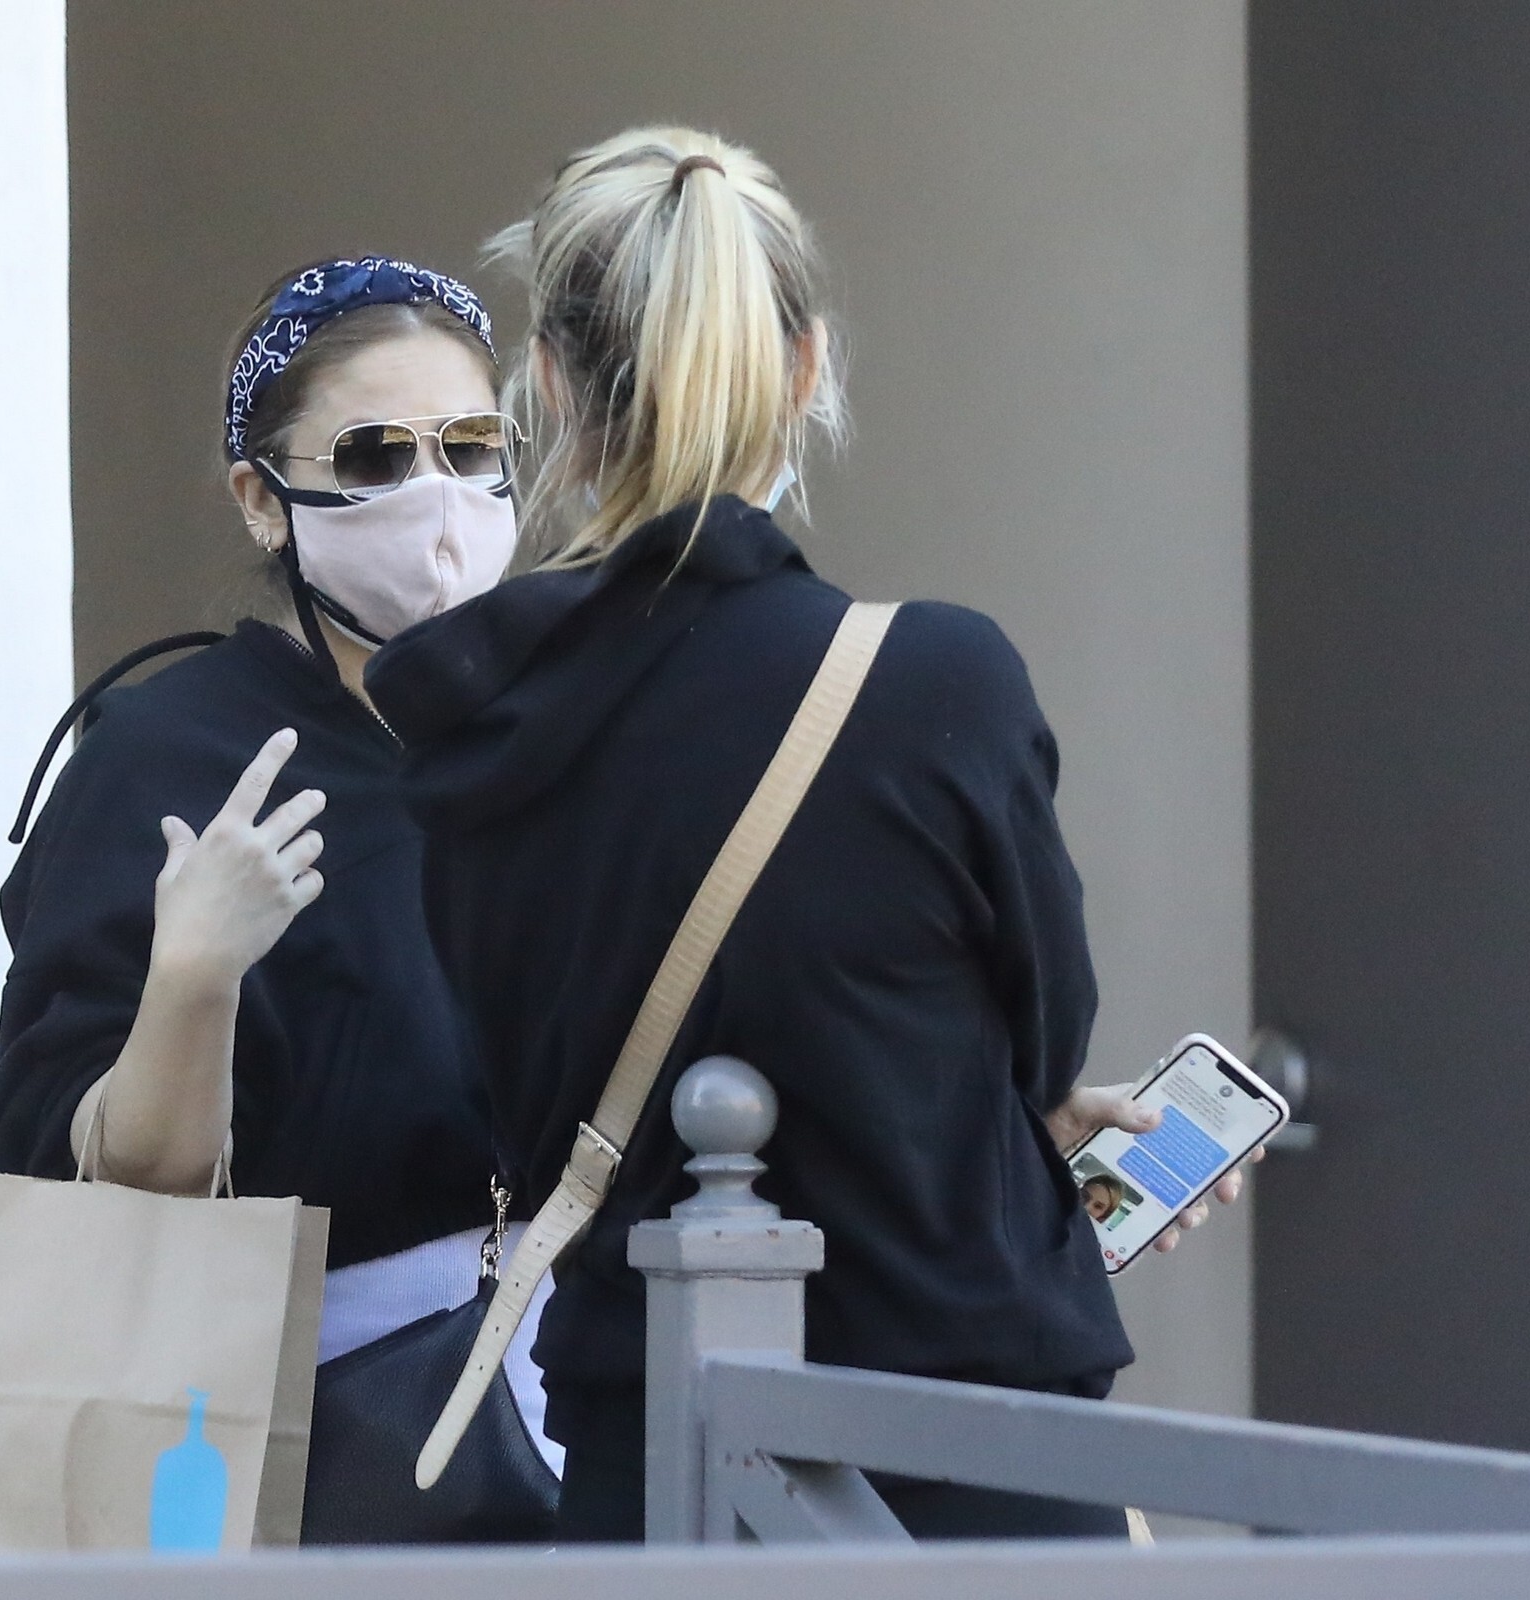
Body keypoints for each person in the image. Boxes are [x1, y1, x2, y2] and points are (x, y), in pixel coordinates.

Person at [366, 128, 1248, 1543]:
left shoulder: (475, 732)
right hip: (960, 1468)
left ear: (549, 384)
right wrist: (989, 1144)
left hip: (648, 1479)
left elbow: (522, 1099)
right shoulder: (933, 685)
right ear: (806, 365)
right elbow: (1040, 1036)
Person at [0, 257, 559, 1522]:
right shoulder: (166, 757)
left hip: (577, 1394)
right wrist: (191, 978)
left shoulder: (549, 733)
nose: (437, 496)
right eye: (373, 457)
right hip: (272, 1425)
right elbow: (85, 1182)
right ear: (261, 498)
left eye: (470, 446)